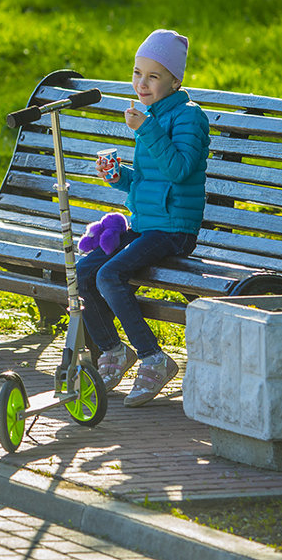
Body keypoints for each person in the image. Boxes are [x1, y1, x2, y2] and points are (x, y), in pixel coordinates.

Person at [77, 29, 210, 407]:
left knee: (109, 274)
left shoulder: (187, 118)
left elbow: (181, 170)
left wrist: (146, 129)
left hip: (174, 231)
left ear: (175, 80)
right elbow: (152, 181)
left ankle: (154, 357)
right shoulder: (151, 116)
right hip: (148, 224)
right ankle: (114, 350)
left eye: (153, 76)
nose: (142, 83)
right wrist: (120, 177)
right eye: (137, 73)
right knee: (86, 272)